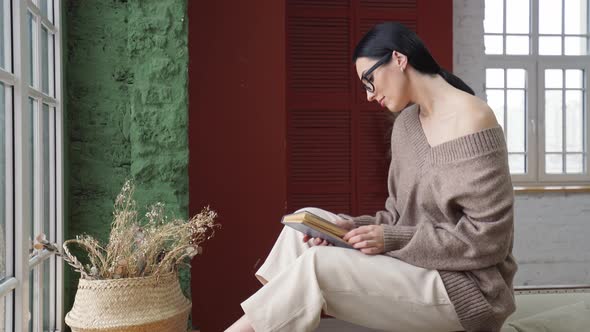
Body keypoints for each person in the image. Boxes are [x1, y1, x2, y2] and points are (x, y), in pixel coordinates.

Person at [225, 21, 517, 332]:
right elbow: (396, 216)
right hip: (415, 265)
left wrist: (387, 238)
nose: (368, 95)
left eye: (370, 80)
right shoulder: (406, 124)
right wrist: (354, 228)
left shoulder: (474, 119)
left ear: (399, 59)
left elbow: (489, 241)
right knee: (303, 224)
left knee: (317, 265)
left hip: (466, 289)